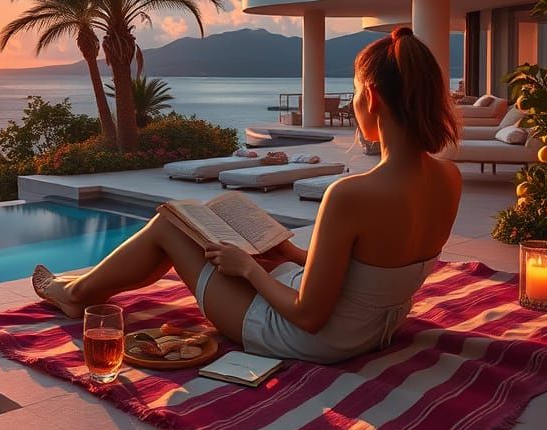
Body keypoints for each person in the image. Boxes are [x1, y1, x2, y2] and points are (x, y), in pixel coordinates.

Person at [32, 27, 462, 363]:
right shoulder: (448, 178)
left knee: (170, 221)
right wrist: (290, 254)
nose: (352, 105)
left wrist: (250, 270)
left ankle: (75, 296)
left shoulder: (352, 194)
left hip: (316, 339)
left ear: (371, 97)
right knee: (215, 235)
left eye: (353, 92)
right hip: (373, 329)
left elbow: (309, 317)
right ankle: (85, 289)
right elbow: (370, 269)